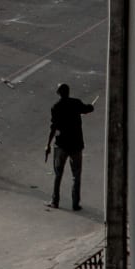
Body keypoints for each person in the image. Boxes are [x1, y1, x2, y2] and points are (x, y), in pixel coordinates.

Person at [45, 82, 94, 211]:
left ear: (59, 93)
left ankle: (55, 201)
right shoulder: (76, 103)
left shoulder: (55, 107)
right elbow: (87, 109)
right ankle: (75, 204)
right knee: (76, 175)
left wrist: (48, 144)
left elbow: (53, 127)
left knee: (58, 174)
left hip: (61, 144)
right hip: (76, 145)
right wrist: (91, 106)